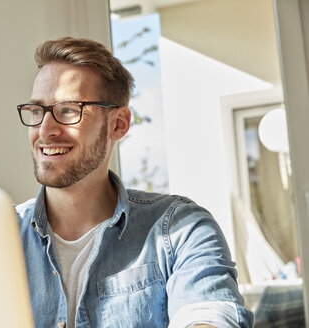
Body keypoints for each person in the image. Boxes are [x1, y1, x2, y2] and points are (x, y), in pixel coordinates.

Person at [16, 37, 253, 328]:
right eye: (37, 111)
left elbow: (211, 315)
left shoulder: (181, 230)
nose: (45, 130)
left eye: (68, 110)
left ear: (118, 124)